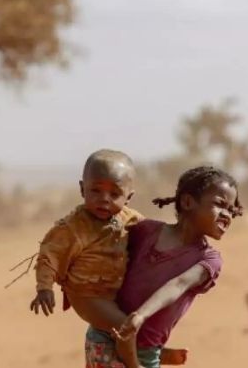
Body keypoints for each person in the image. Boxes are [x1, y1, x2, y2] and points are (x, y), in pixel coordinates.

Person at [29, 149, 183, 368]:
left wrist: (183, 233)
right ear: (82, 189)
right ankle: (137, 361)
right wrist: (44, 288)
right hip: (86, 294)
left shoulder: (128, 218)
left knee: (142, 318)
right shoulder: (73, 227)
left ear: (129, 197)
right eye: (96, 191)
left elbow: (154, 233)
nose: (104, 200)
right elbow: (49, 255)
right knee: (125, 325)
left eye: (114, 194)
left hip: (113, 293)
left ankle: (150, 349)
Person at [86, 166, 243, 368]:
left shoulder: (208, 259)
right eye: (220, 205)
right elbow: (104, 246)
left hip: (145, 351)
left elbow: (178, 284)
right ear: (187, 202)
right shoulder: (144, 231)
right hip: (106, 337)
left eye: (232, 210)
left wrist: (140, 315)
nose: (227, 215)